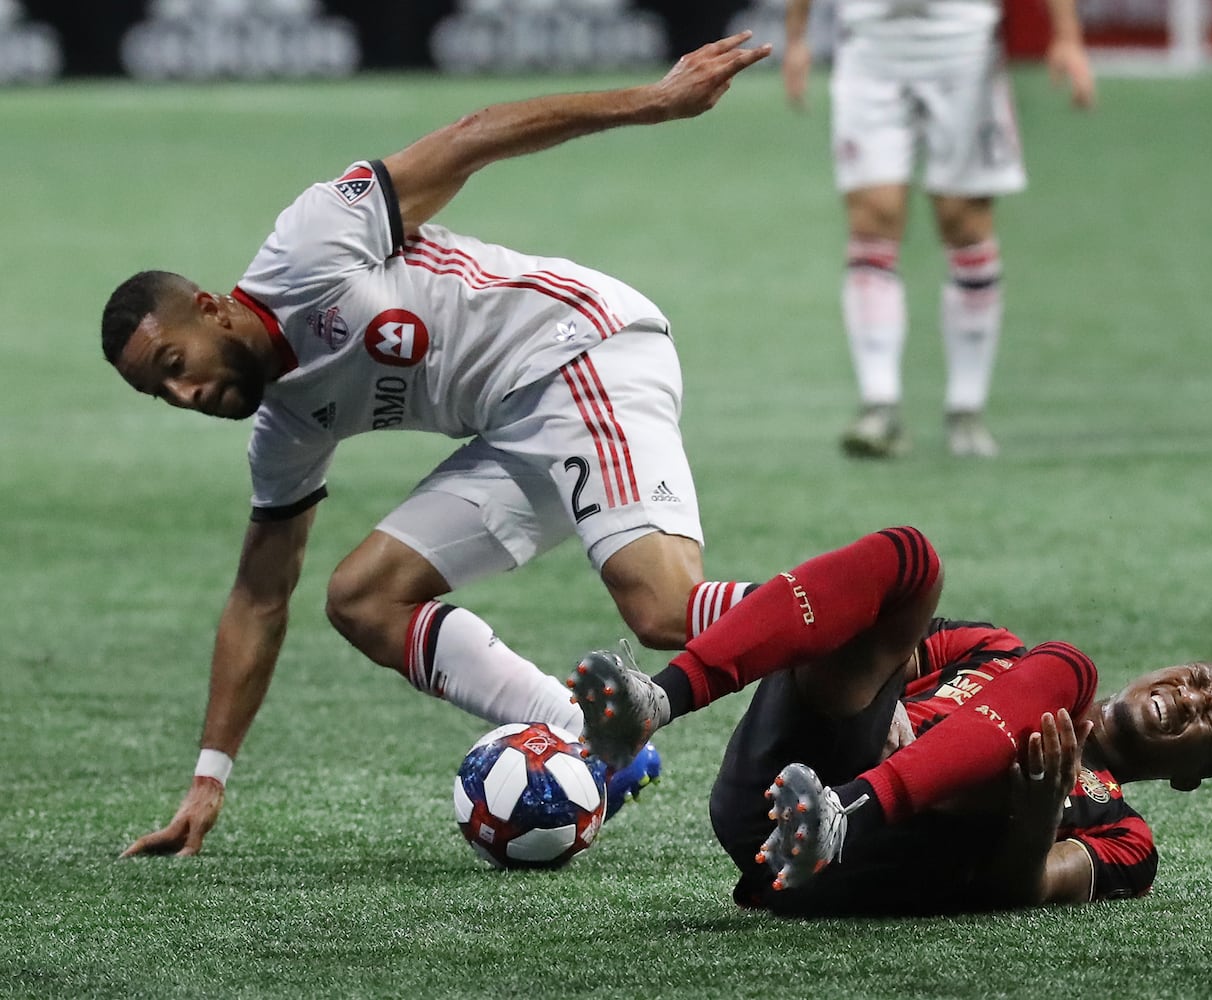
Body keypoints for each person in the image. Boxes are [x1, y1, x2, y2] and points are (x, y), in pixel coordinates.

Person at [105, 32, 773, 858]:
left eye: (175, 365)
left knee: (665, 611)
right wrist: (209, 778)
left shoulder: (310, 246)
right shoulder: (285, 428)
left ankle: (864, 624)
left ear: (208, 309)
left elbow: (475, 133)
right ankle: (596, 742)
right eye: (160, 393)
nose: (184, 394)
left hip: (581, 350)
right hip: (514, 424)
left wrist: (656, 100)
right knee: (361, 599)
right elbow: (258, 599)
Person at [568, 526, 1212, 915]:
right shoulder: (994, 649)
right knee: (910, 556)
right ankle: (653, 701)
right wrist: (888, 694)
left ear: (1191, 778)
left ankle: (842, 817)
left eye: (1210, 718)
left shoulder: (1126, 837)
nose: (1192, 699)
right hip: (783, 789)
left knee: (1067, 671)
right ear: (1164, 668)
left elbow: (1019, 893)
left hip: (864, 864)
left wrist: (1037, 815)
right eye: (1199, 681)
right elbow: (868, 643)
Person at [781, 0, 1096, 458]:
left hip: (963, 44)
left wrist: (1067, 37)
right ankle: (879, 403)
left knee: (964, 221)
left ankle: (966, 408)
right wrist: (796, 37)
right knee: (874, 215)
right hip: (871, 45)